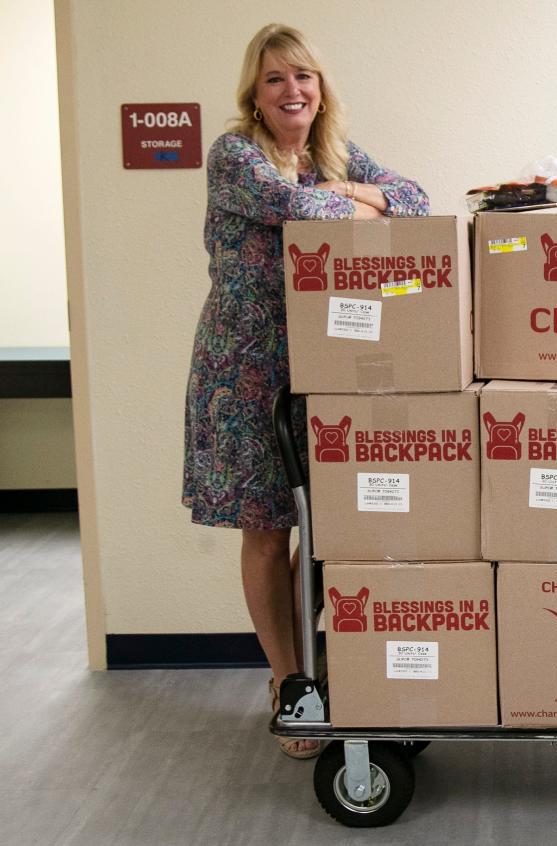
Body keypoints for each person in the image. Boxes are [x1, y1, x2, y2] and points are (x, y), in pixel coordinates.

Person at [181, 23, 430, 759]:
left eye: (303, 78)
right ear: (253, 97)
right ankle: (290, 681)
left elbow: (413, 199)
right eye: (274, 80)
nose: (292, 91)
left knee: (331, 525)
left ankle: (318, 669)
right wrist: (352, 201)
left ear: (320, 91)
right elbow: (308, 214)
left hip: (328, 364)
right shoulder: (235, 156)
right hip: (247, 366)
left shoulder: (334, 157)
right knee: (269, 528)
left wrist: (349, 186)